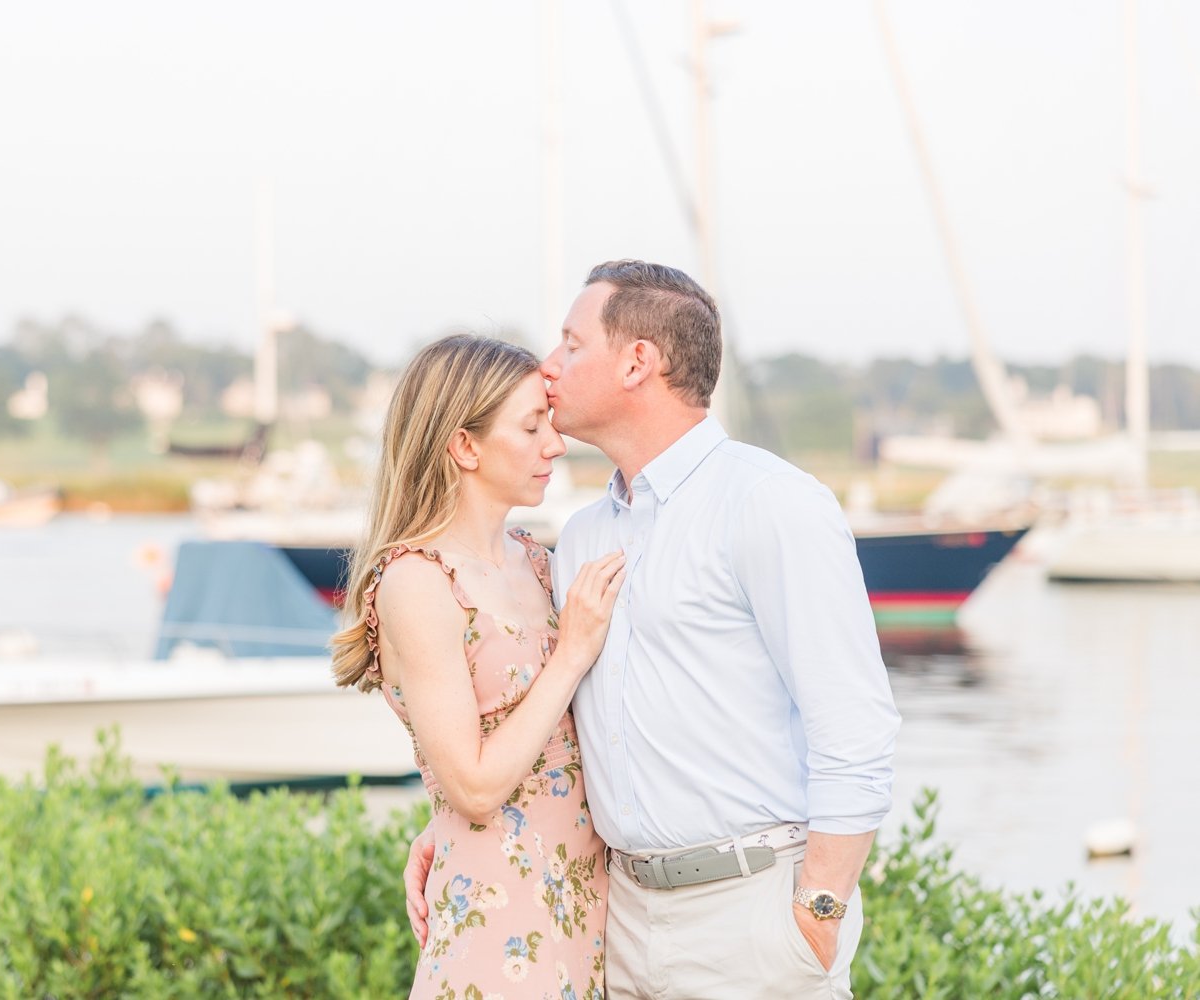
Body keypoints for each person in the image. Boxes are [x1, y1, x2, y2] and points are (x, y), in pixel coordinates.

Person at [404, 261, 901, 1000]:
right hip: (618, 922)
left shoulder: (769, 504)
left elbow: (855, 725)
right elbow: (568, 725)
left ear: (638, 361)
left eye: (571, 345)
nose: (549, 366)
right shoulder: (580, 536)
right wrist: (455, 829)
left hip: (750, 918)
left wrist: (816, 911)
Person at [332, 334, 627, 999]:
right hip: (500, 924)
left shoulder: (540, 563)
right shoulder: (416, 583)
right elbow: (472, 787)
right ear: (464, 446)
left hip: (585, 909)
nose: (554, 444)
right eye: (530, 427)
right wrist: (573, 651)